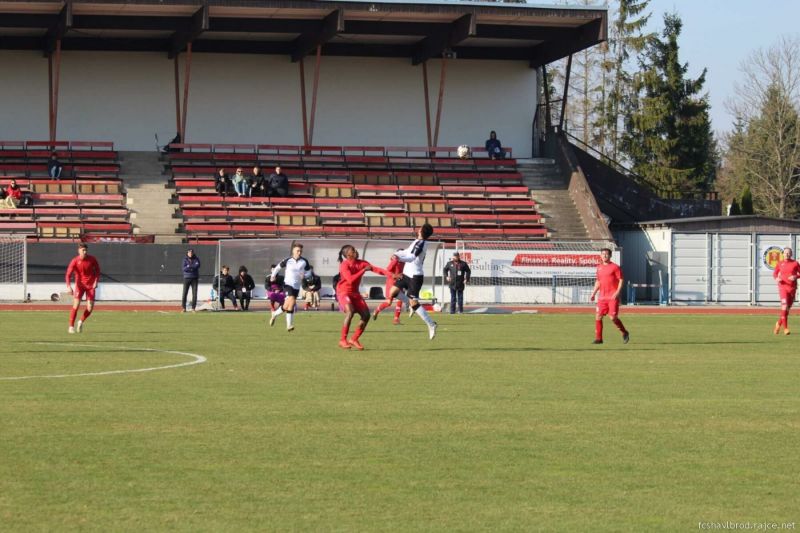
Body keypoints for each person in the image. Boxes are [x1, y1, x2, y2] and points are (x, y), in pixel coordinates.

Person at [376, 224, 437, 340]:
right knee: (392, 292)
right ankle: (409, 304)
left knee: (414, 303)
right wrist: (396, 254)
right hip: (406, 274)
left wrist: (398, 258)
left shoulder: (422, 243)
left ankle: (431, 324)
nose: (419, 229)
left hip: (415, 276)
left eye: (421, 228)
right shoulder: (417, 241)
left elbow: (411, 257)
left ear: (423, 231)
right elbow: (407, 252)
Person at [336, 244, 396, 350]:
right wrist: (363, 270)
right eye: (353, 250)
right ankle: (342, 340)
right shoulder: (344, 265)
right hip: (343, 292)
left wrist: (392, 275)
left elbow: (377, 269)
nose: (356, 251)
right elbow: (350, 279)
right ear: (347, 254)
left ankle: (354, 339)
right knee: (350, 311)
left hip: (355, 293)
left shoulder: (362, 263)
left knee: (366, 315)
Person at [269, 243, 314, 331]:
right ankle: (289, 325)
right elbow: (278, 267)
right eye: (297, 250)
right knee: (292, 301)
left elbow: (309, 273)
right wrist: (273, 275)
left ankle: (274, 314)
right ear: (293, 251)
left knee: (287, 306)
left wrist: (304, 275)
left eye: (301, 251)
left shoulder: (304, 261)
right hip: (287, 284)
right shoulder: (288, 260)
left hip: (296, 287)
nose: (299, 252)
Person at [589, 248, 629, 344]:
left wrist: (617, 292)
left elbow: (621, 280)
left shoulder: (615, 267)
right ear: (600, 256)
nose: (604, 256)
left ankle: (624, 332)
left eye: (606, 254)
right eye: (603, 254)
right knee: (598, 316)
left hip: (612, 297)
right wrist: (593, 293)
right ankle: (599, 339)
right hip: (602, 297)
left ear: (610, 256)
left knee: (613, 317)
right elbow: (598, 281)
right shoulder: (599, 267)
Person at [65, 243, 101, 334]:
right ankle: (71, 327)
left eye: (85, 250)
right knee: (76, 305)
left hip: (90, 286)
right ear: (79, 251)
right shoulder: (75, 261)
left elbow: (98, 270)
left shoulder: (92, 259)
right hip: (80, 286)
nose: (84, 252)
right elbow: (68, 275)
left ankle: (80, 321)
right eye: (83, 250)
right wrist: (69, 286)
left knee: (90, 307)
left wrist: (96, 281)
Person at [371, 250, 407, 325]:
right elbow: (388, 270)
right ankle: (376, 311)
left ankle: (396, 319)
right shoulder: (395, 260)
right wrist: (395, 275)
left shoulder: (404, 262)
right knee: (388, 302)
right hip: (391, 282)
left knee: (400, 300)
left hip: (400, 282)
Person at [772, 247, 800, 335]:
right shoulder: (780, 263)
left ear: (791, 254)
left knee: (787, 309)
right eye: (785, 253)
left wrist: (795, 277)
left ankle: (778, 324)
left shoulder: (795, 263)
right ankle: (786, 329)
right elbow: (775, 273)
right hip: (782, 287)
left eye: (788, 253)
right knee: (784, 306)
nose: (787, 254)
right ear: (783, 254)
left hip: (792, 288)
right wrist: (777, 278)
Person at [181, 248, 201, 312]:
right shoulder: (184, 259)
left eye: (191, 252)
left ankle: (193, 308)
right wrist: (191, 267)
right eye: (189, 253)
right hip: (186, 278)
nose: (190, 254)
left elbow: (197, 266)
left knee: (194, 294)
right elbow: (184, 268)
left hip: (194, 278)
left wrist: (189, 266)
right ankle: (184, 308)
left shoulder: (196, 259)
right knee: (184, 293)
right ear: (187, 253)